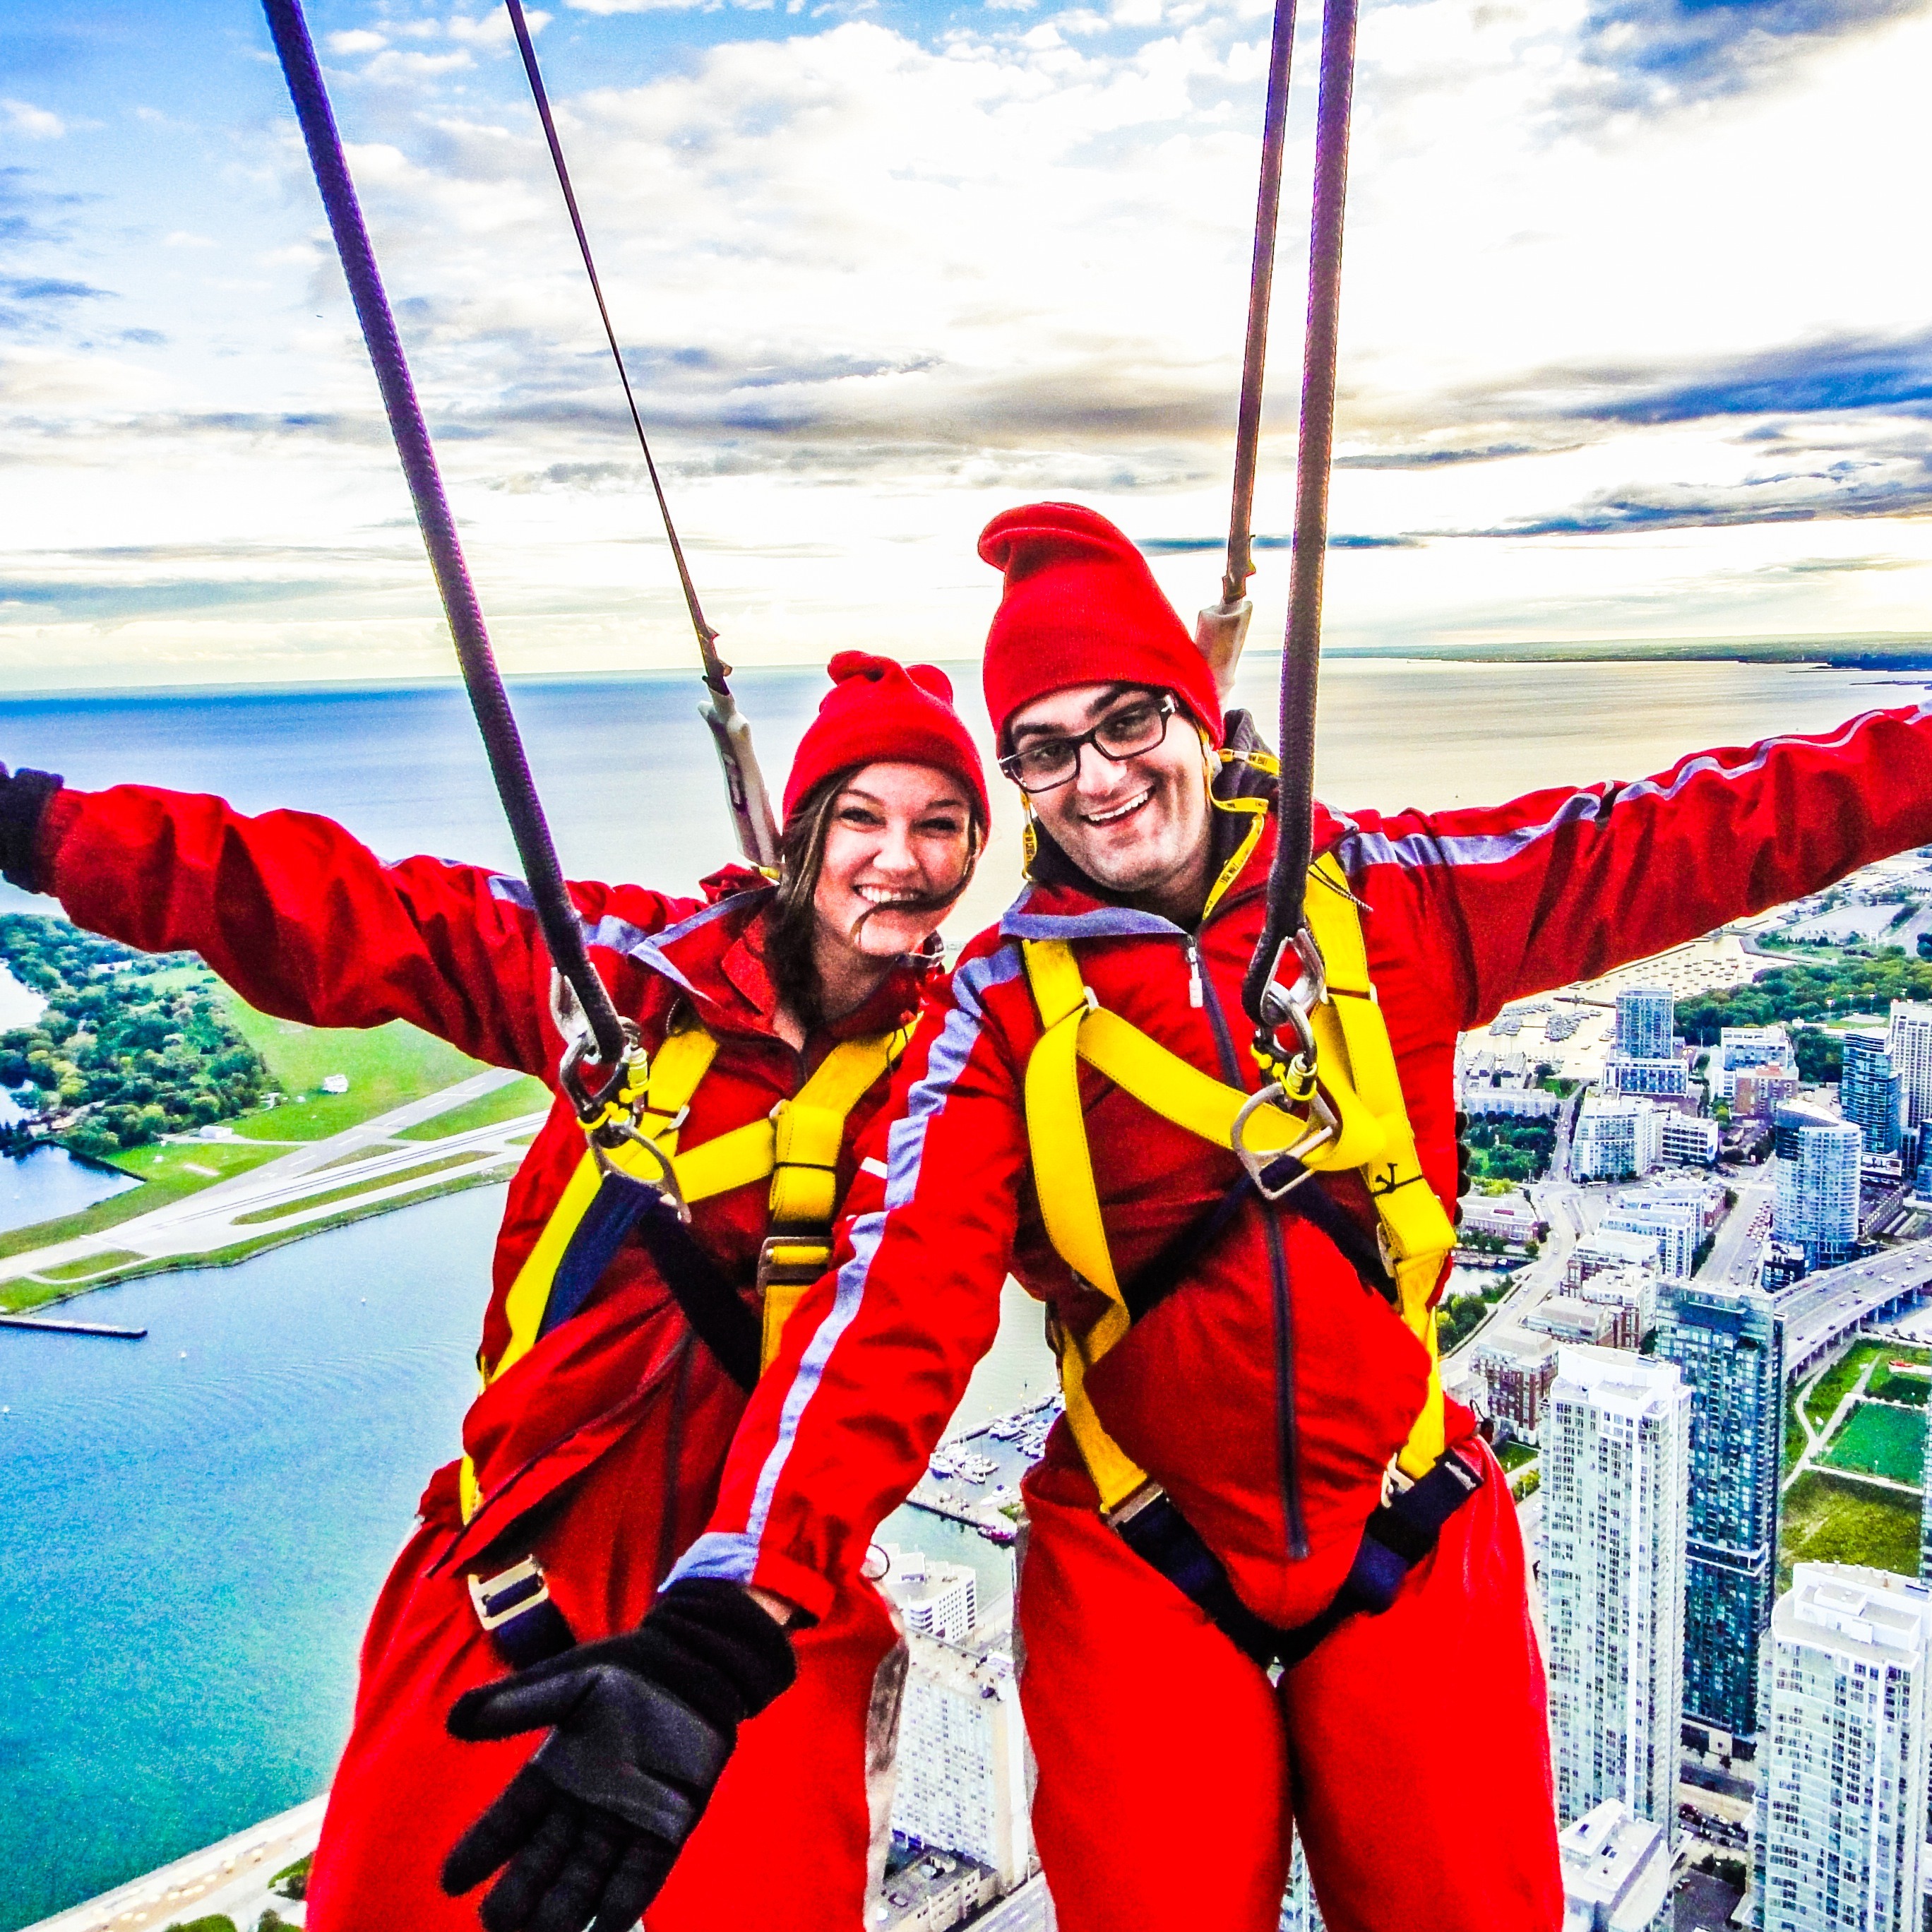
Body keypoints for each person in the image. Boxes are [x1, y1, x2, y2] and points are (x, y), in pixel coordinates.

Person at [427, 500, 1932, 1932]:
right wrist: (728, 1619)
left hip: (1399, 1521)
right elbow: (887, 1314)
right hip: (1142, 1562)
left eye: (1128, 720)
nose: (1097, 776)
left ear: (1197, 716)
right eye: (1043, 749)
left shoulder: (1393, 902)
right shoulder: (997, 1023)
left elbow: (1709, 831)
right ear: (1015, 783)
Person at [0, 650, 988, 1932]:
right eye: (861, 818)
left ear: (975, 855)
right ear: (800, 836)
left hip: (755, 1629)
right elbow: (349, 910)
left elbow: (921, 1325)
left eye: (938, 825)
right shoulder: (624, 980)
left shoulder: (965, 1075)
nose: (897, 858)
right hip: (509, 1577)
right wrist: (42, 827)